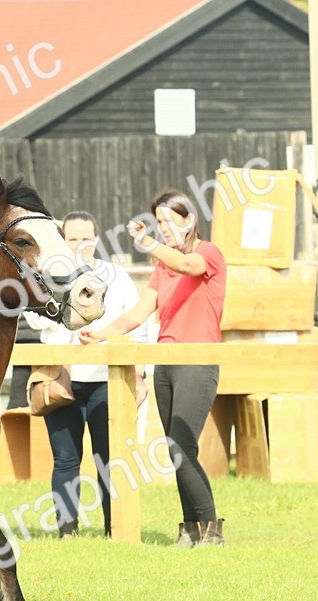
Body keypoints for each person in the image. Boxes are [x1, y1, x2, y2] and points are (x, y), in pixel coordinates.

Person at [79, 192, 227, 548]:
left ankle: (209, 528)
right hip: (166, 363)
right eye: (158, 223)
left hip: (197, 361)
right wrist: (102, 332)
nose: (163, 228)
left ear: (189, 218)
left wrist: (146, 243)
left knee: (182, 446)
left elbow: (187, 266)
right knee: (174, 446)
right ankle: (191, 528)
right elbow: (140, 311)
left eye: (168, 220)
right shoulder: (163, 268)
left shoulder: (207, 254)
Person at [24, 212, 146, 538]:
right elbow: (34, 319)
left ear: (97, 237)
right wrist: (67, 316)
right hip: (61, 378)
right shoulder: (48, 276)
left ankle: (113, 528)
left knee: (109, 459)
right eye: (72, 238)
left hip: (109, 382)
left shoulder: (117, 276)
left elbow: (138, 324)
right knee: (65, 460)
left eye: (86, 237)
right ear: (63, 241)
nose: (80, 244)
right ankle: (67, 531)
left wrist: (141, 375)